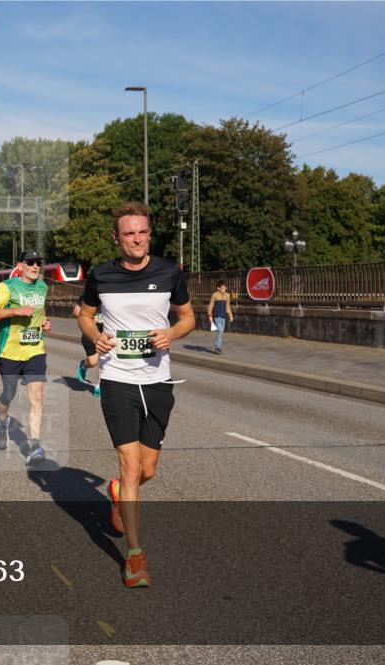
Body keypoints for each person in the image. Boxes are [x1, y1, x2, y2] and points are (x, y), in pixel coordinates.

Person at [77, 201, 195, 588]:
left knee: (147, 471)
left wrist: (172, 334)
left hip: (158, 381)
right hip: (117, 381)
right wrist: (96, 336)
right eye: (129, 234)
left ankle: (117, 492)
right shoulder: (101, 275)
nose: (137, 239)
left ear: (149, 234)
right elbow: (83, 313)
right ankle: (135, 556)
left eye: (142, 232)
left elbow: (188, 317)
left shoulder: (168, 272)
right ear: (117, 238)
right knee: (130, 466)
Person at [0, 249, 51, 465]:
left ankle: (34, 446)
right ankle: (2, 422)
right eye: (31, 262)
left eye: (38, 263)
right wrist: (16, 312)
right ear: (20, 265)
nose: (36, 266)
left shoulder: (42, 287)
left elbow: (40, 311)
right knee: (8, 393)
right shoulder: (8, 287)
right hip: (10, 351)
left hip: (35, 349)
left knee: (37, 396)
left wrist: (44, 322)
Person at [72, 296, 102, 397]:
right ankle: (84, 365)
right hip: (90, 333)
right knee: (93, 362)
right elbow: (76, 311)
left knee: (104, 360)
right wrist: (92, 318)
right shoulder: (88, 294)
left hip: (107, 334)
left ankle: (99, 387)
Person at [207, 281, 234, 354]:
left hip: (223, 317)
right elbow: (211, 305)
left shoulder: (227, 295)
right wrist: (209, 315)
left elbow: (228, 306)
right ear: (218, 288)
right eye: (222, 287)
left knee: (220, 332)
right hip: (216, 316)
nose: (224, 289)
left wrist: (230, 315)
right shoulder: (215, 295)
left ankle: (217, 347)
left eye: (225, 287)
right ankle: (217, 347)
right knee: (220, 331)